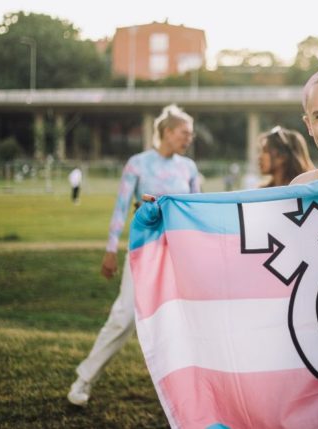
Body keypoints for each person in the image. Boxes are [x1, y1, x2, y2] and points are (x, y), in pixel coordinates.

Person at [67, 104, 201, 407]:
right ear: (167, 133)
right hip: (143, 253)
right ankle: (83, 380)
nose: (188, 139)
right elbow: (120, 208)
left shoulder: (189, 168)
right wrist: (111, 249)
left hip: (180, 256)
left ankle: (194, 395)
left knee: (188, 320)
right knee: (123, 317)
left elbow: (197, 209)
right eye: (184, 133)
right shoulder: (138, 164)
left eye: (190, 135)